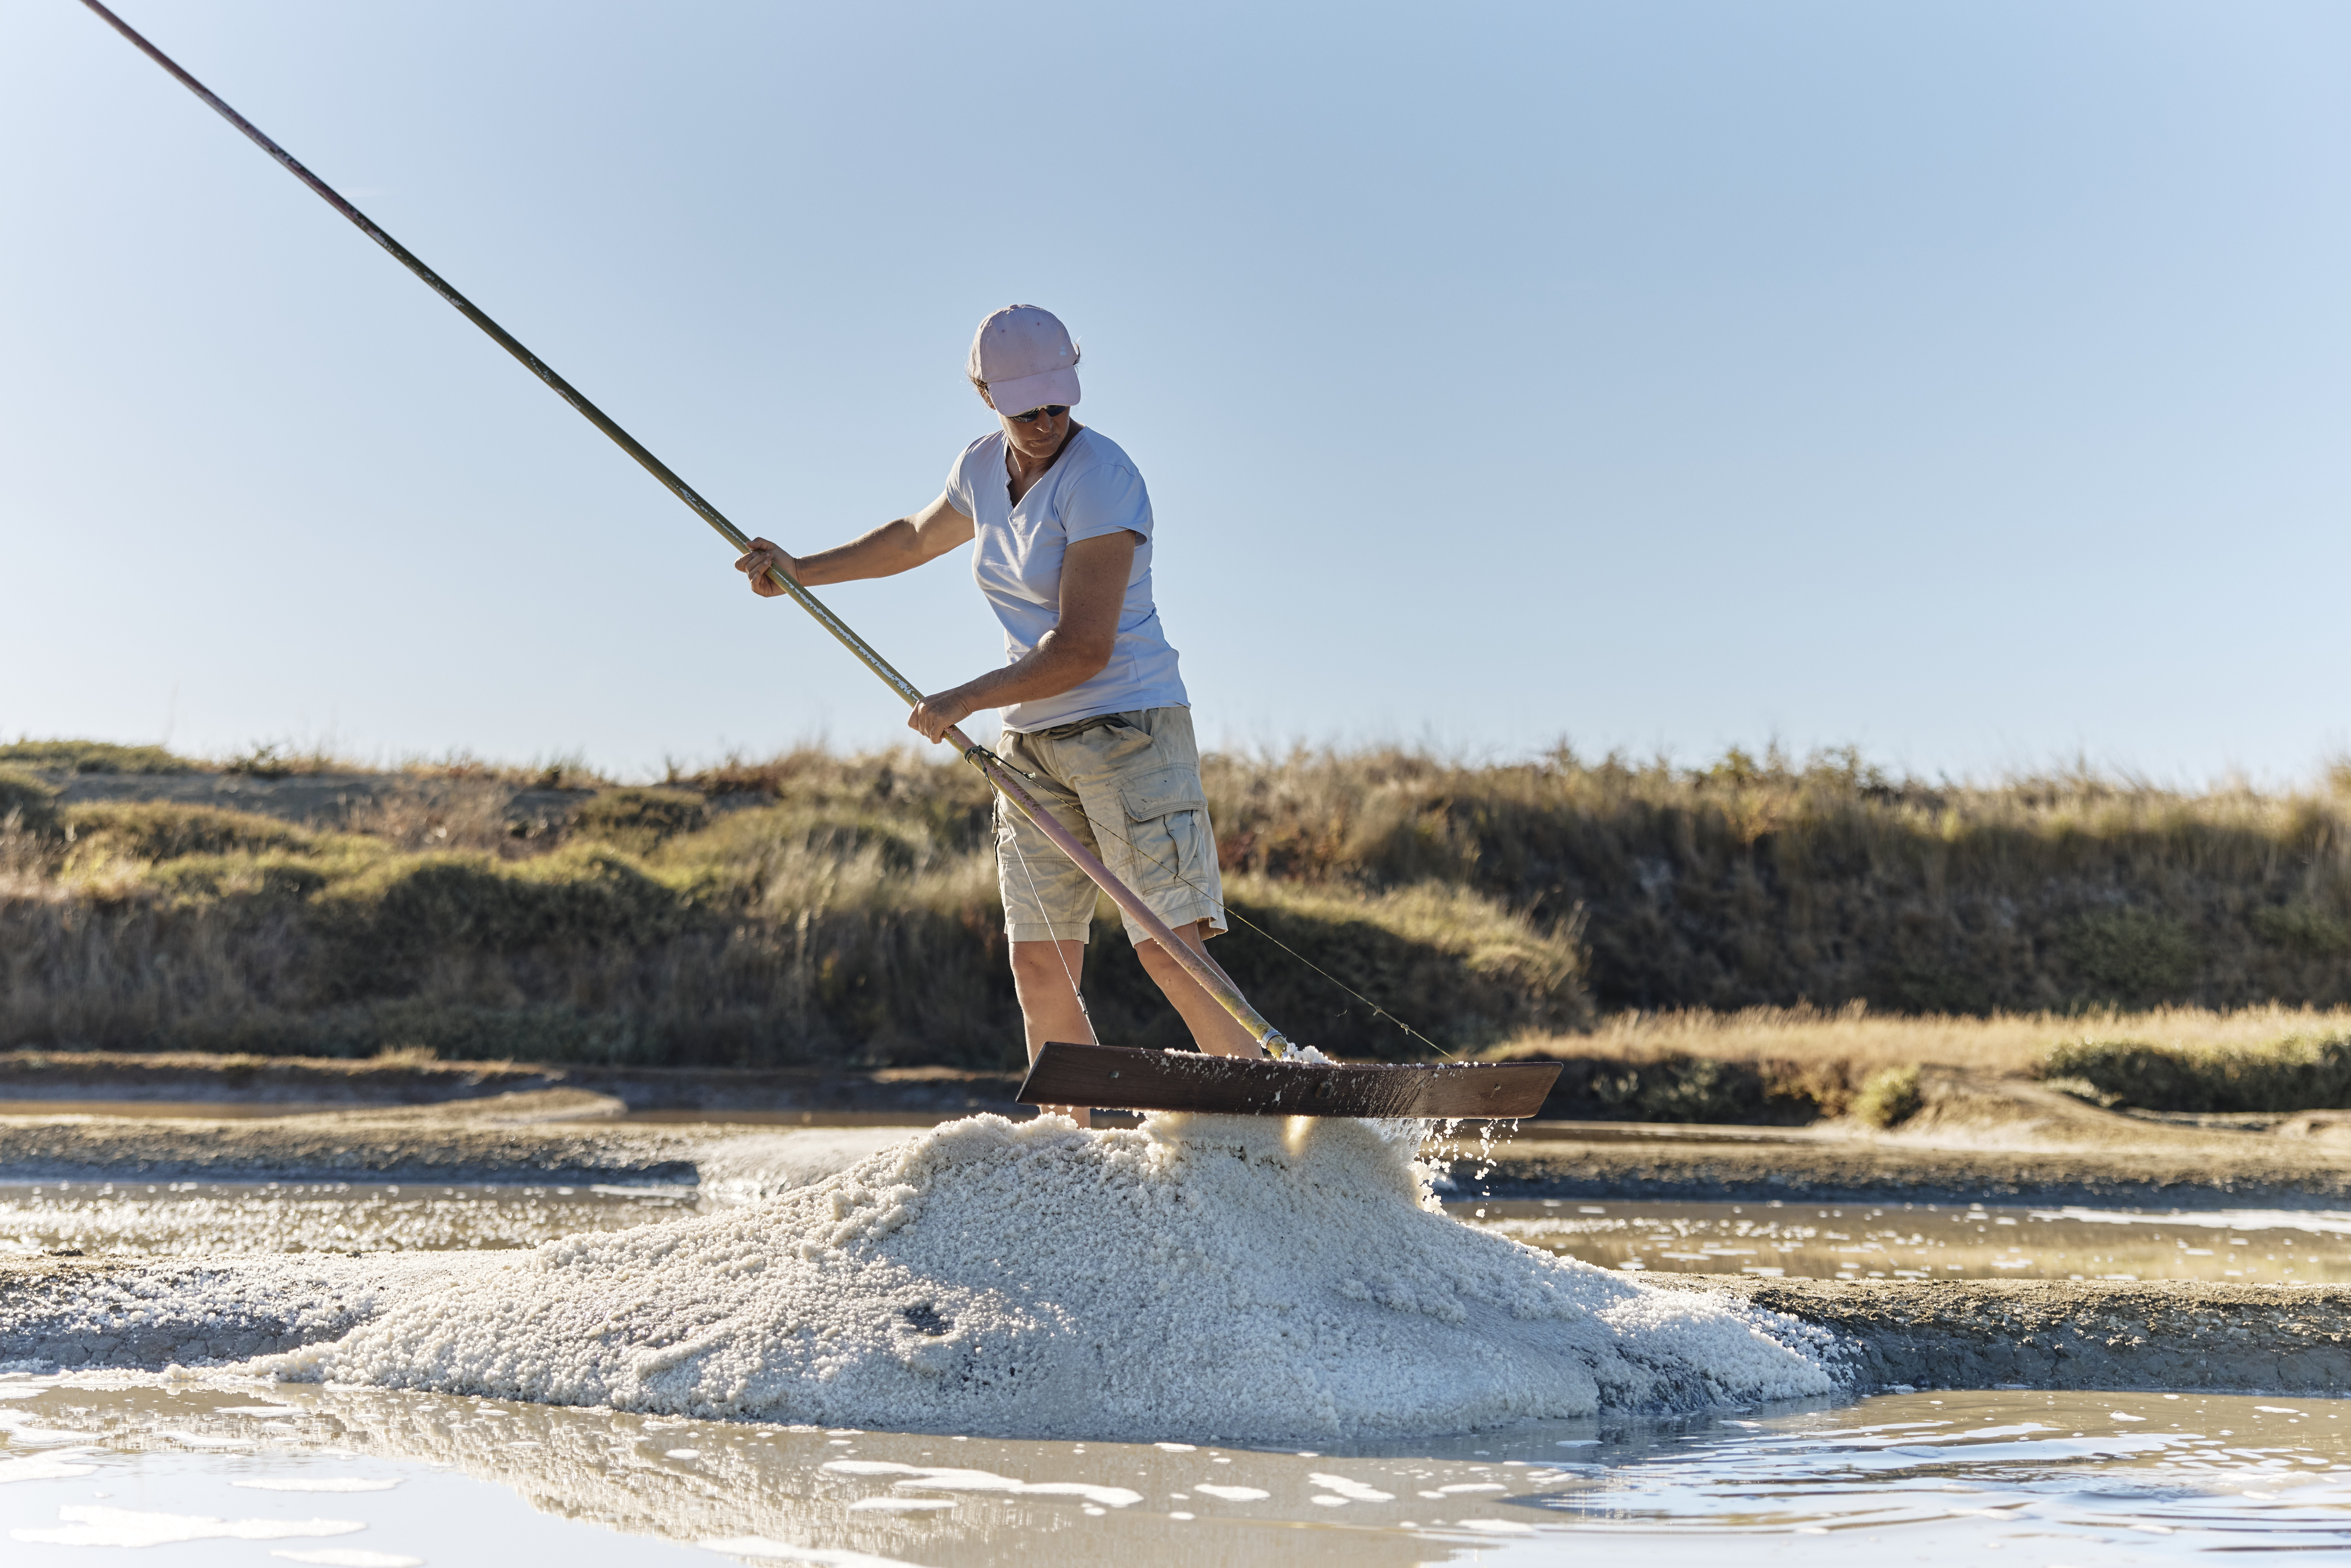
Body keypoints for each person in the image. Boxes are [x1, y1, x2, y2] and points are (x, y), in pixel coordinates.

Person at [734, 305, 1255, 1119]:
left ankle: (1268, 1121)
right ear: (985, 395)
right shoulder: (979, 468)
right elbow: (912, 537)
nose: (1046, 421)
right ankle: (1069, 1146)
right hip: (1032, 743)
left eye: (1058, 403)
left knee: (1166, 947)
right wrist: (803, 569)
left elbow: (1084, 649)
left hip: (1130, 729)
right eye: (1027, 409)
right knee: (1040, 959)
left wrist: (963, 699)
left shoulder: (1103, 478)